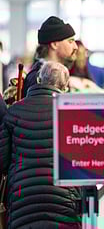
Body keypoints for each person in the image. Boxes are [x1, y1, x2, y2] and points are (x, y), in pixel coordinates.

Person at [0, 61, 81, 228]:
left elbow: (2, 162)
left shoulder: (14, 112)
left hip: (22, 198)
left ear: (38, 80)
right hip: (64, 200)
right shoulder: (73, 114)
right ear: (65, 87)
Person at [23, 16, 78, 97]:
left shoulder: (52, 75)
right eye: (70, 42)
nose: (75, 47)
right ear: (54, 44)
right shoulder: (38, 78)